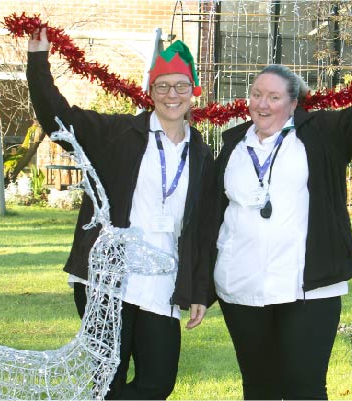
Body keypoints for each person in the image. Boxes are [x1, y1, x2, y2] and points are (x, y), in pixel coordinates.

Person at [207, 48, 352, 400]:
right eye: (256, 95)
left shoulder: (322, 133)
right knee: (259, 388)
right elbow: (213, 215)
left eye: (273, 96)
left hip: (308, 289)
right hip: (241, 285)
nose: (262, 104)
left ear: (293, 103)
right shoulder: (233, 146)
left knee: (305, 387)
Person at [27, 28, 213, 399]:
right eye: (162, 87)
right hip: (106, 281)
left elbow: (204, 231)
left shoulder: (202, 154)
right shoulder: (117, 133)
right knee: (107, 380)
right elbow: (58, 121)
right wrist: (37, 63)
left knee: (157, 383)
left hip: (163, 282)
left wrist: (200, 291)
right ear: (150, 91)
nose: (171, 95)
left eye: (180, 87)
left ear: (193, 92)